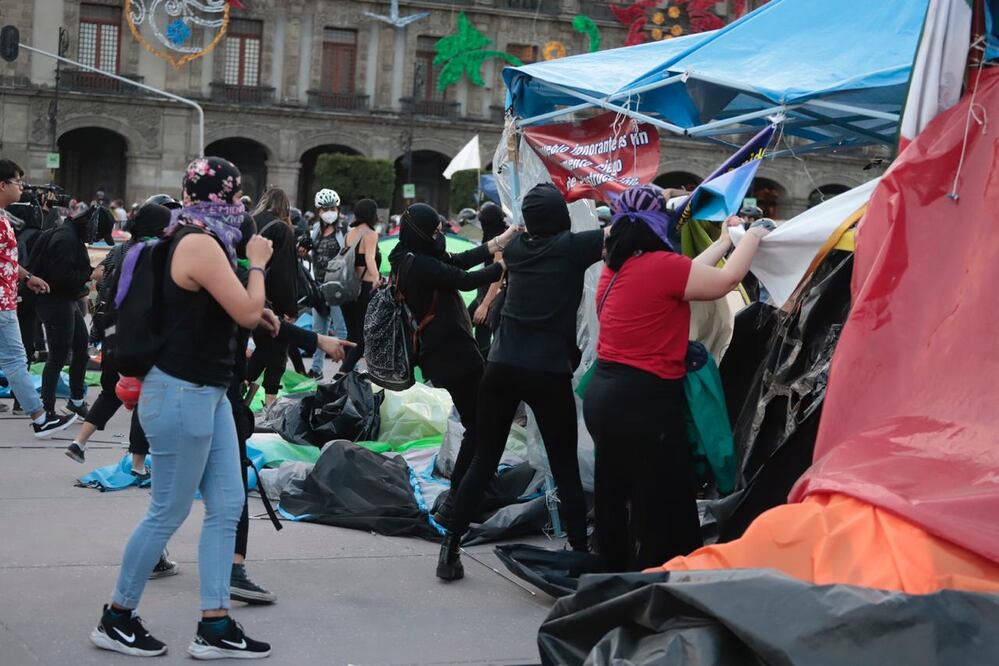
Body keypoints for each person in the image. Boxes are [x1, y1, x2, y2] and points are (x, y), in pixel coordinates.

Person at [90, 156, 273, 659]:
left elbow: (226, 305)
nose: (241, 208)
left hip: (204, 392)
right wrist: (258, 263)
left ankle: (214, 624)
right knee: (166, 510)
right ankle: (116, 616)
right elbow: (247, 311)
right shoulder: (198, 242)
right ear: (223, 199)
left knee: (228, 505)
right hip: (182, 392)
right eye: (237, 199)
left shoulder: (193, 236)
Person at [582, 185, 772, 572]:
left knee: (614, 494)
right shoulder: (660, 267)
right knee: (662, 498)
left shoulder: (618, 268)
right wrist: (755, 233)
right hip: (642, 399)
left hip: (604, 395)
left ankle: (612, 573)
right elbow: (724, 281)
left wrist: (723, 243)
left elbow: (687, 275)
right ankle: (660, 580)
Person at [437, 183, 603, 580]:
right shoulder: (574, 248)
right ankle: (579, 550)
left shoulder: (513, 250)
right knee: (564, 465)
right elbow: (625, 230)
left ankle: (450, 549)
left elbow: (505, 243)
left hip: (502, 365)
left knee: (483, 460)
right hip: (547, 371)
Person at [387, 203, 516, 524]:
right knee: (480, 425)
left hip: (447, 354)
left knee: (480, 423)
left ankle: (469, 490)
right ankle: (459, 499)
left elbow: (458, 260)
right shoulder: (420, 266)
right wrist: (502, 268)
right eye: (434, 231)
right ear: (420, 233)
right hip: (453, 356)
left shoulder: (409, 256)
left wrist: (503, 239)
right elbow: (464, 279)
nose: (439, 236)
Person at [0, 159, 77, 436]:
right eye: (18, 182)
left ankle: (40, 416)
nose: (22, 188)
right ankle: (40, 417)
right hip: (1, 304)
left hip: (6, 299)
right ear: (3, 184)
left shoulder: (3, 217)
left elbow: (5, 258)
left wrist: (27, 277)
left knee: (13, 359)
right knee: (14, 359)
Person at [29, 203, 114, 420]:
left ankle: (75, 400)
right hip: (55, 301)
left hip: (63, 300)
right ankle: (46, 409)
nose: (94, 240)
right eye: (98, 234)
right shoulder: (66, 239)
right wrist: (91, 275)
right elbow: (60, 278)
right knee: (58, 356)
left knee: (80, 348)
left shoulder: (68, 234)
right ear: (90, 227)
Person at [246, 187, 298, 406]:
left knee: (267, 348)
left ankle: (246, 391)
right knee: (276, 351)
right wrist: (290, 308)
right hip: (272, 300)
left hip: (247, 292)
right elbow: (283, 272)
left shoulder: (251, 222)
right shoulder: (282, 229)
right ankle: (269, 404)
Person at [305, 188, 348, 379]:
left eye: (332, 207)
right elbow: (311, 253)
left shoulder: (344, 229)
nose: (329, 211)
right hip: (319, 286)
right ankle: (316, 369)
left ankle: (346, 369)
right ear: (319, 211)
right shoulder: (315, 230)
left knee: (341, 329)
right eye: (325, 208)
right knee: (318, 330)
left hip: (338, 286)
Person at [339, 198, 381, 374]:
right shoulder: (371, 234)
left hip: (347, 287)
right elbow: (370, 258)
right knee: (364, 338)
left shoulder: (349, 234)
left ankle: (345, 376)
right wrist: (377, 277)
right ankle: (342, 372)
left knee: (351, 335)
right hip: (364, 288)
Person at [468, 202, 507, 356]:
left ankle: (482, 374)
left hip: (490, 295)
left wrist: (485, 304)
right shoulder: (497, 235)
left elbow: (498, 274)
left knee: (482, 340)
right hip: (483, 293)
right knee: (463, 327)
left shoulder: (500, 238)